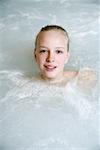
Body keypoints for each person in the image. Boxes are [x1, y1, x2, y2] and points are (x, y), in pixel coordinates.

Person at [33, 24, 96, 91]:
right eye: (43, 51)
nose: (50, 59)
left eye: (58, 51)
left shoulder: (84, 78)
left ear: (67, 57)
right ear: (35, 56)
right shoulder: (28, 85)